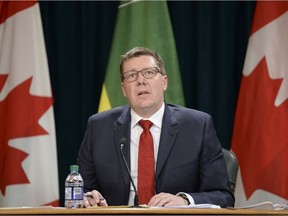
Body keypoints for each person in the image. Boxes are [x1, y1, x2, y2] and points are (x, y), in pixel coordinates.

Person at [77, 47, 235, 208]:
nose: (141, 80)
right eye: (132, 75)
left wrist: (184, 200)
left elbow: (223, 195)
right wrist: (87, 197)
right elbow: (81, 188)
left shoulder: (198, 126)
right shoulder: (98, 127)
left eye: (149, 72)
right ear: (124, 89)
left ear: (164, 82)